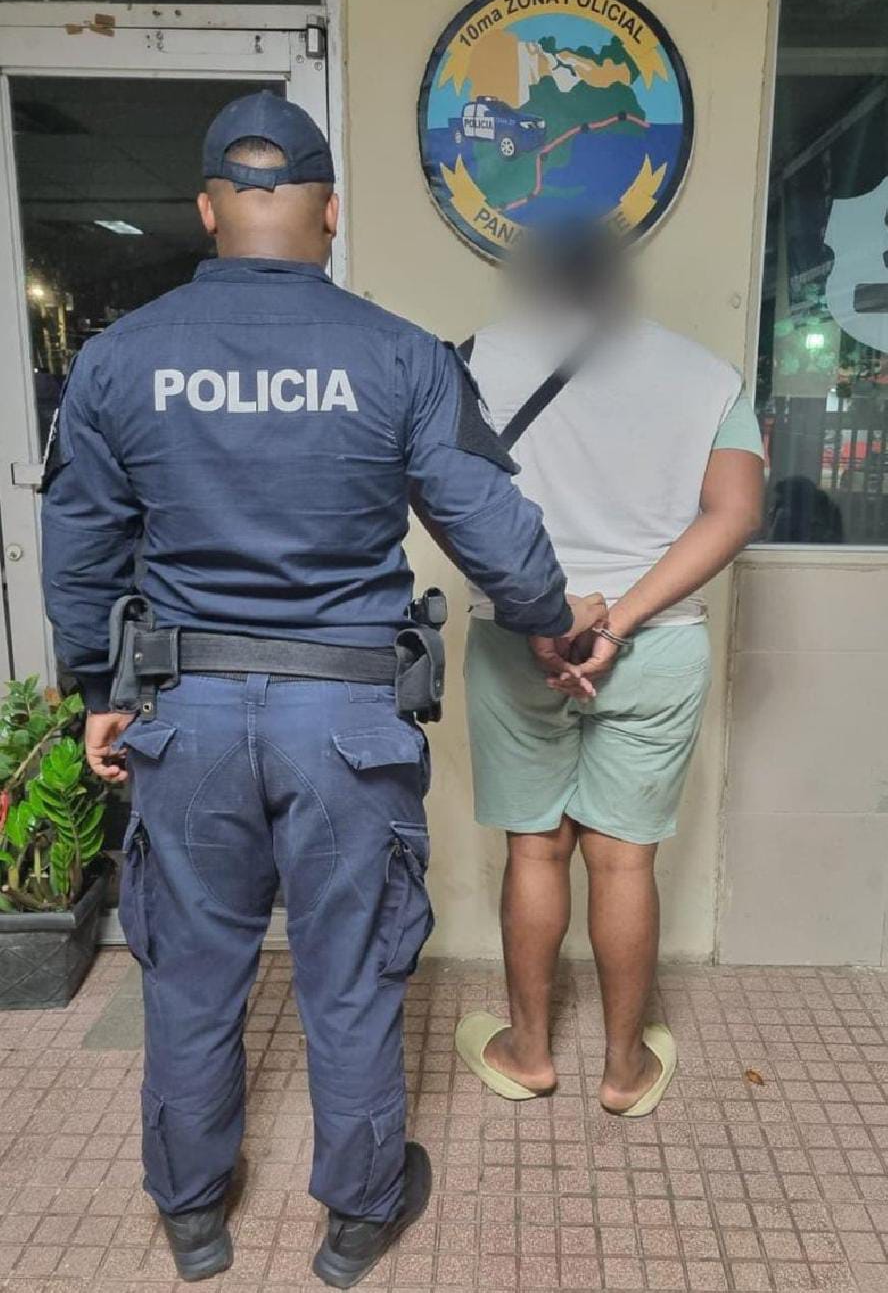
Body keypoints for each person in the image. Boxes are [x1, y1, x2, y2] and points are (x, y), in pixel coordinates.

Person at [40, 93, 605, 1289]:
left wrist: (99, 685)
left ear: (207, 210)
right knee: (351, 978)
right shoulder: (402, 356)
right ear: (331, 211)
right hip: (347, 724)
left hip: (186, 719)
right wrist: (556, 625)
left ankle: (193, 1216)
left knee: (191, 976)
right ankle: (356, 1219)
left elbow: (81, 545)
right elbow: (491, 529)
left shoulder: (118, 358)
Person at [452, 222, 765, 1118]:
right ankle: (625, 1071)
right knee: (626, 864)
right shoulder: (708, 376)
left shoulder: (472, 363)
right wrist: (619, 621)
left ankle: (528, 1053)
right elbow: (735, 512)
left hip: (520, 639)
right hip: (656, 642)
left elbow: (446, 500)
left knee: (534, 848)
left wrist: (547, 614)